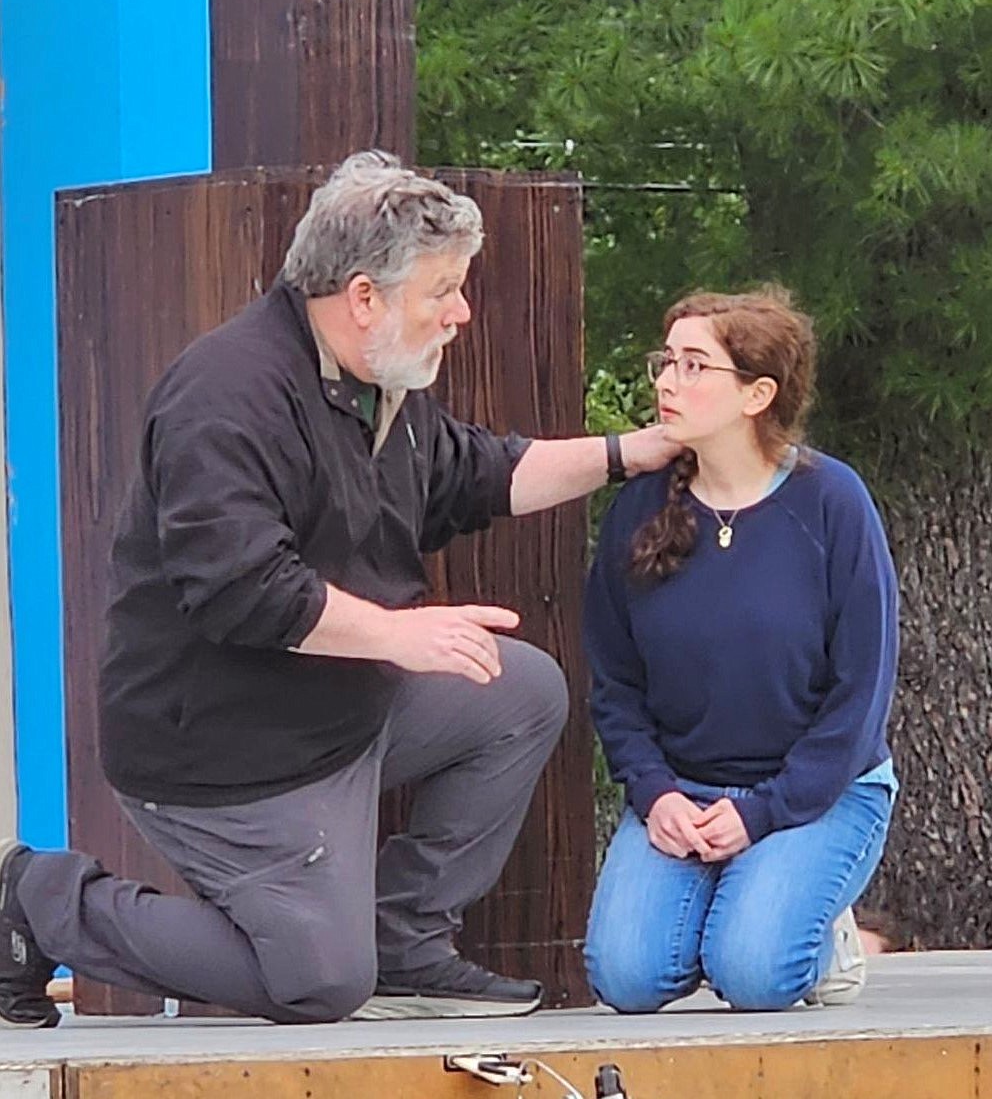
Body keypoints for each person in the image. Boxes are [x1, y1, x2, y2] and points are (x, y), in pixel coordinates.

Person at [0, 151, 677, 1030]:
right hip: (222, 751)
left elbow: (477, 474)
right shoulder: (227, 397)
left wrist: (629, 453)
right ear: (364, 297)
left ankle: (404, 941)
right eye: (442, 290)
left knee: (520, 690)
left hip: (336, 711)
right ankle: (35, 898)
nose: (461, 312)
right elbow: (241, 588)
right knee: (316, 984)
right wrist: (402, 636)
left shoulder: (377, 384)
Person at [582, 286, 899, 1013]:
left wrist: (765, 814)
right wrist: (654, 792)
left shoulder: (833, 504)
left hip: (817, 793)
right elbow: (616, 683)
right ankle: (753, 904)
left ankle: (814, 929)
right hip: (684, 792)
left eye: (695, 365)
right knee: (626, 979)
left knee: (754, 976)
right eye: (666, 361)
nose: (666, 381)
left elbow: (861, 691)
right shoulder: (637, 509)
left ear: (758, 393)